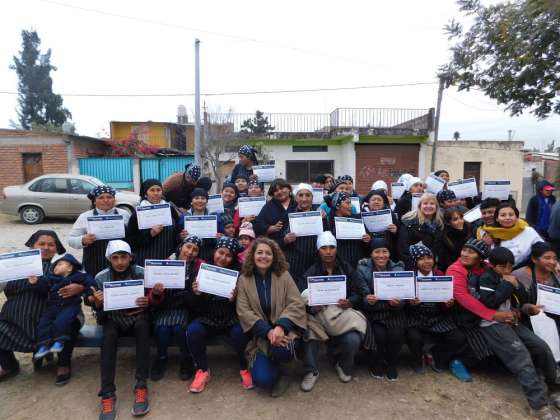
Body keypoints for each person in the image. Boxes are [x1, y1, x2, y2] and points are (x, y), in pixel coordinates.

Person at [477, 246, 560, 420]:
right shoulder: (486, 278)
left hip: (512, 320)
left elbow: (524, 299)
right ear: (492, 265)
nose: (507, 270)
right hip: (492, 323)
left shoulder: (511, 276)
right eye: (502, 267)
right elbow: (491, 302)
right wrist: (507, 284)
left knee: (542, 347)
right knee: (521, 357)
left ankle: (554, 388)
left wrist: (517, 287)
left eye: (510, 266)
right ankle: (538, 405)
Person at [0, 230, 83, 385]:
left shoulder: (65, 266)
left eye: (50, 244)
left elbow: (84, 282)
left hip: (53, 316)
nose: (46, 247)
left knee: (68, 323)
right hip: (14, 320)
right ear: (32, 246)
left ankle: (63, 365)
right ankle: (9, 365)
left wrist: (79, 287)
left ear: (56, 248)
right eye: (41, 244)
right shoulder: (13, 266)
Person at [236, 238, 307, 397]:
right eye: (259, 252)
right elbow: (243, 311)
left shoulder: (283, 275)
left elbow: (296, 303)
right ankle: (271, 364)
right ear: (252, 255)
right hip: (261, 337)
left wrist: (281, 326)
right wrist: (268, 332)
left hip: (285, 332)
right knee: (263, 381)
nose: (264, 256)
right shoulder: (244, 279)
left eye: (268, 253)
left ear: (274, 256)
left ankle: (286, 370)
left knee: (281, 349)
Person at [90, 240, 151, 419]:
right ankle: (108, 392)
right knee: (108, 338)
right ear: (109, 259)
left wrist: (149, 300)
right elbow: (98, 313)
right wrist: (99, 303)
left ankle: (141, 385)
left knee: (143, 328)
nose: (120, 262)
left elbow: (154, 301)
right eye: (115, 258)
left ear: (130, 257)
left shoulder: (141, 273)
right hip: (113, 318)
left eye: (124, 257)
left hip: (137, 316)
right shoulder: (101, 278)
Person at [299, 232, 367, 389]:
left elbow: (358, 293)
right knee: (309, 333)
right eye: (324, 248)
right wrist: (311, 306)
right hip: (318, 316)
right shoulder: (311, 271)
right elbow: (300, 295)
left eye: (331, 247)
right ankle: (311, 371)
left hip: (340, 314)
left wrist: (350, 302)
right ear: (318, 250)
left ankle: (343, 365)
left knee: (353, 339)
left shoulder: (346, 268)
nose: (328, 251)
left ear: (336, 249)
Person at [187, 237, 252, 393]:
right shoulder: (202, 269)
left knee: (240, 332)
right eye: (220, 252)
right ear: (215, 251)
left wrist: (235, 298)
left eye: (228, 255)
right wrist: (195, 293)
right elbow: (191, 305)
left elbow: (247, 304)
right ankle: (202, 369)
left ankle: (245, 367)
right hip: (207, 317)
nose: (223, 258)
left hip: (231, 317)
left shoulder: (239, 273)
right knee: (193, 330)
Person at [405, 243, 471, 380]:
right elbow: (403, 305)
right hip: (415, 317)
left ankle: (436, 355)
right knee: (413, 336)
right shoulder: (409, 277)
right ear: (414, 261)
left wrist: (448, 304)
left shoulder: (440, 275)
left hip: (437, 317)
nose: (426, 262)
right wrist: (410, 303)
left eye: (429, 257)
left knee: (458, 337)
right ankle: (417, 360)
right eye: (421, 258)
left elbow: (446, 303)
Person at [148, 236, 203, 382]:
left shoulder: (199, 268)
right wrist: (156, 293)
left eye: (195, 249)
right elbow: (151, 298)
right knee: (162, 328)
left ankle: (186, 358)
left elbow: (198, 301)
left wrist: (195, 292)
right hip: (165, 307)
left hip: (185, 307)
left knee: (180, 328)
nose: (190, 252)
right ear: (181, 247)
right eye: (188, 247)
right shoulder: (165, 263)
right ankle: (161, 357)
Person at [356, 238, 406, 381]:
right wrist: (368, 300)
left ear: (390, 253)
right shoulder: (362, 269)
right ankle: (376, 362)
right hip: (373, 312)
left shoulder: (398, 268)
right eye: (377, 251)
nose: (381, 255)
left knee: (396, 335)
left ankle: (391, 363)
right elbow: (363, 295)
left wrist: (397, 303)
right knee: (379, 335)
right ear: (371, 254)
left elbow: (403, 298)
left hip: (394, 311)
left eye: (385, 251)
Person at [33, 255, 95, 360]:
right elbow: (43, 285)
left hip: (70, 305)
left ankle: (59, 341)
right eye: (55, 265)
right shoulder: (51, 277)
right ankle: (43, 345)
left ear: (70, 268)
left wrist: (89, 292)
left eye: (59, 264)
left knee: (62, 321)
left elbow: (90, 282)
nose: (56, 267)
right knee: (44, 323)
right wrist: (36, 282)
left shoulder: (78, 276)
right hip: (53, 306)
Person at [68, 185, 131, 277]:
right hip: (95, 263)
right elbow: (71, 240)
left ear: (114, 199)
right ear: (94, 201)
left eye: (109, 197)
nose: (106, 200)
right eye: (101, 197)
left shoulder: (124, 214)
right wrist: (83, 240)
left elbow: (133, 237)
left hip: (121, 263)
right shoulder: (85, 217)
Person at [126, 179, 183, 266]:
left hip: (168, 259)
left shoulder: (170, 209)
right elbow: (131, 241)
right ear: (145, 193)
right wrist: (150, 234)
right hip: (145, 261)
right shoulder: (137, 214)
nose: (156, 193)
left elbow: (177, 231)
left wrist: (181, 235)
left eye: (158, 190)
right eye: (152, 190)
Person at [281, 183, 326, 282]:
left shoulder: (320, 214)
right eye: (300, 195)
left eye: (307, 195)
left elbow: (327, 237)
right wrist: (285, 240)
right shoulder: (287, 215)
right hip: (295, 264)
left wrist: (324, 219)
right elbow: (278, 240)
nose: (304, 199)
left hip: (315, 263)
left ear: (312, 197)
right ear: (296, 198)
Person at [513, 242, 560, 331]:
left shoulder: (557, 274)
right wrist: (529, 309)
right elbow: (514, 305)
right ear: (534, 259)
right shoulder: (520, 275)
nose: (552, 262)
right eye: (547, 258)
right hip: (528, 321)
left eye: (555, 259)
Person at [479, 203, 543, 267]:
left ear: (517, 217)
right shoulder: (490, 234)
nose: (507, 218)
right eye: (503, 215)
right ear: (497, 219)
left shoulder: (528, 231)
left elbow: (543, 251)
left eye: (511, 215)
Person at [398, 193, 444, 270]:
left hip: (432, 268)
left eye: (432, 203)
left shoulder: (440, 223)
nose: (428, 206)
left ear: (436, 207)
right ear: (420, 206)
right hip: (414, 267)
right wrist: (414, 268)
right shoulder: (409, 222)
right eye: (425, 203)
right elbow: (403, 249)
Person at [325, 192, 370, 266]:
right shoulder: (328, 221)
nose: (351, 206)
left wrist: (367, 239)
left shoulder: (357, 219)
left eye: (350, 203)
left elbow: (367, 241)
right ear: (337, 206)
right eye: (348, 203)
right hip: (337, 265)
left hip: (357, 264)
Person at [182, 188, 221, 262]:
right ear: (191, 201)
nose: (200, 201)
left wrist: (218, 237)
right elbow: (176, 237)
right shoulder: (184, 217)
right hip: (188, 255)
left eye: (203, 198)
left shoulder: (215, 217)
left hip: (208, 256)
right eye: (196, 198)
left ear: (206, 201)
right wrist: (181, 236)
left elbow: (221, 237)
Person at [361, 188, 398, 255]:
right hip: (367, 252)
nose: (376, 202)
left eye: (379, 200)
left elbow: (398, 237)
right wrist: (365, 238)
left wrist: (395, 231)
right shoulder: (361, 216)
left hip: (387, 251)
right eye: (373, 199)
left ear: (383, 203)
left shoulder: (391, 215)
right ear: (368, 202)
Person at [438, 208, 471, 272]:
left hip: (470, 269)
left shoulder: (469, 230)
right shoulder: (443, 236)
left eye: (461, 218)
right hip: (452, 270)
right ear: (448, 223)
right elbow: (443, 260)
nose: (460, 221)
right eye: (455, 219)